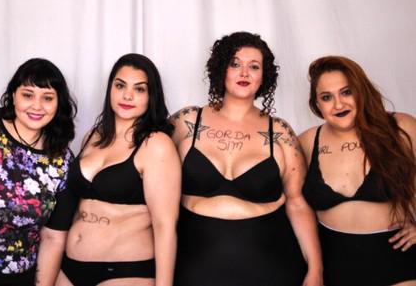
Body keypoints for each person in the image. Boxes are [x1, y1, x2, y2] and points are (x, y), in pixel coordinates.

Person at [171, 31, 322, 286]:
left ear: (264, 76)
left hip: (271, 265)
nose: (244, 73)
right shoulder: (186, 122)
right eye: (235, 64)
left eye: (254, 66)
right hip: (194, 264)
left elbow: (297, 204)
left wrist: (316, 269)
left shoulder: (280, 132)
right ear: (221, 69)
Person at [37, 53, 181, 286]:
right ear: (110, 89)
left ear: (151, 96)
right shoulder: (92, 136)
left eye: (139, 89)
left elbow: (164, 227)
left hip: (122, 272)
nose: (127, 95)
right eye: (120, 85)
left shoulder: (156, 144)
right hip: (69, 269)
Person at [0, 58, 77, 286]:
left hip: (20, 278)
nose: (37, 106)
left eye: (47, 98)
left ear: (59, 103)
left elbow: (53, 238)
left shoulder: (63, 161)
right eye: (28, 95)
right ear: (13, 95)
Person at [300, 56, 416, 286]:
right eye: (326, 97)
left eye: (346, 92)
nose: (338, 105)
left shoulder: (400, 128)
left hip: (398, 262)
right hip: (334, 268)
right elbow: (291, 204)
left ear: (361, 91)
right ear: (317, 104)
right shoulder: (306, 142)